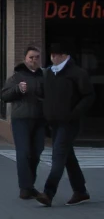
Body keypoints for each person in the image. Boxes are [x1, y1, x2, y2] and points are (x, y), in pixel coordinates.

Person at [35, 42, 94, 207]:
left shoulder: (77, 73)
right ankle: (80, 191)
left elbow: (89, 96)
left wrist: (73, 114)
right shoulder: (49, 73)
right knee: (68, 157)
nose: (52, 58)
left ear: (63, 55)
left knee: (58, 156)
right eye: (51, 55)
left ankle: (48, 192)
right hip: (54, 122)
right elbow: (43, 95)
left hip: (69, 123)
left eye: (55, 55)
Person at [1, 46, 46, 200]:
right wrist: (17, 89)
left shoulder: (44, 75)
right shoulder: (17, 76)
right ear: (25, 59)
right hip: (21, 119)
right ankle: (25, 188)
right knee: (24, 153)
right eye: (31, 57)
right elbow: (4, 95)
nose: (34, 60)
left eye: (37, 57)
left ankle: (29, 185)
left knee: (36, 153)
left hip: (39, 119)